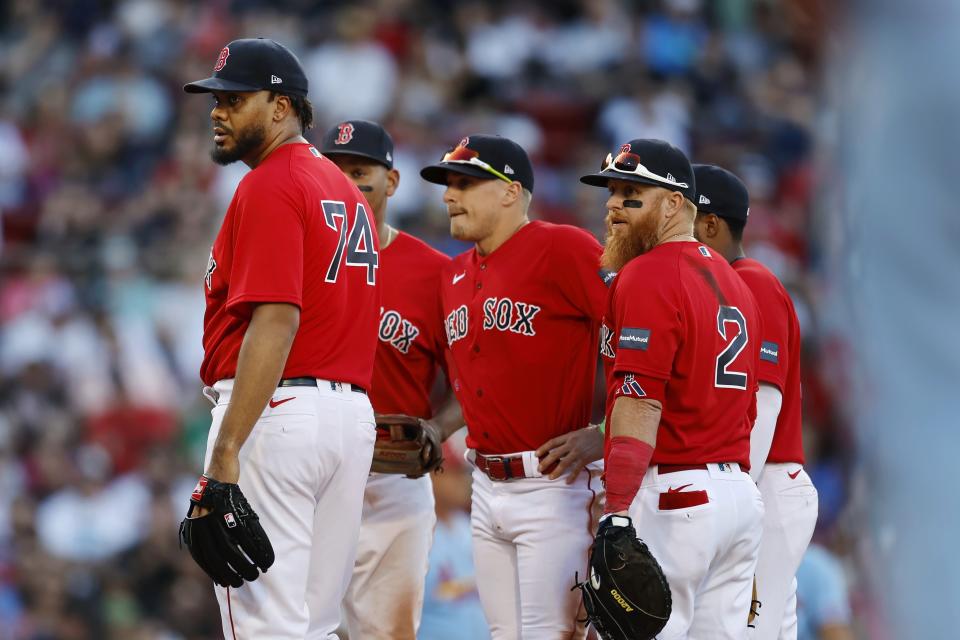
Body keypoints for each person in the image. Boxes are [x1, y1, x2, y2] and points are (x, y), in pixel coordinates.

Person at [182, 38, 380, 639]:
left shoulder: (270, 184)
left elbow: (277, 320)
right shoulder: (345, 189)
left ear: (281, 107)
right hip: (347, 421)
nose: (218, 111)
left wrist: (224, 454)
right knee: (314, 627)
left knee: (267, 626)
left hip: (278, 414)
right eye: (215, 99)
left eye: (235, 99)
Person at [420, 134, 608, 639]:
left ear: (509, 191)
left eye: (465, 183)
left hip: (554, 484)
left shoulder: (563, 247)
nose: (448, 196)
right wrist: (439, 427)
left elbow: (638, 337)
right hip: (485, 486)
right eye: (447, 185)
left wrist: (608, 430)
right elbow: (480, 382)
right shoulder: (454, 274)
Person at [580, 139, 764, 639]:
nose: (613, 203)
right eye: (612, 191)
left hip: (676, 497)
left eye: (631, 191)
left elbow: (640, 401)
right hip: (736, 499)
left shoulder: (648, 274)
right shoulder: (734, 282)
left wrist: (616, 513)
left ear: (674, 202)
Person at [318, 119, 461, 640]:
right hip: (310, 471)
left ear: (392, 182)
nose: (348, 182)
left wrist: (438, 430)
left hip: (392, 479)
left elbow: (473, 380)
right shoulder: (298, 257)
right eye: (335, 170)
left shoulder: (432, 272)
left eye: (361, 171)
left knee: (387, 634)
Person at [692, 163, 818, 640]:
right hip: (760, 483)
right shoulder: (728, 285)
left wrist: (737, 496)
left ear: (710, 225)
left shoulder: (753, 283)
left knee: (746, 630)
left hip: (766, 480)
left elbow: (764, 402)